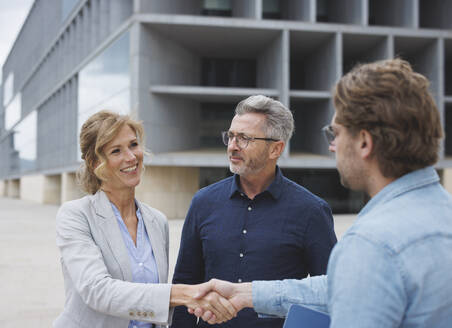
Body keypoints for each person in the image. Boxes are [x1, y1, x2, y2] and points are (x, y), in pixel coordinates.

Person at [191, 58, 452, 327]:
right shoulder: (442, 214)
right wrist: (248, 294)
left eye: (335, 134)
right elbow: (341, 287)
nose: (332, 147)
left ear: (364, 142)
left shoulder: (372, 244)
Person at [54, 110, 236, 328]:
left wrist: (201, 305)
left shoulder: (157, 221)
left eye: (133, 144)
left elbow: (153, 299)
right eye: (116, 151)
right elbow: (97, 291)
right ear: (95, 163)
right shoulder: (76, 215)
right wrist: (186, 294)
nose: (131, 157)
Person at [171, 95, 337, 328]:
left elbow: (331, 291)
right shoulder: (203, 202)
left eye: (244, 138)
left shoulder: (311, 211)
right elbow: (185, 283)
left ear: (275, 149)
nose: (232, 146)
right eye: (230, 136)